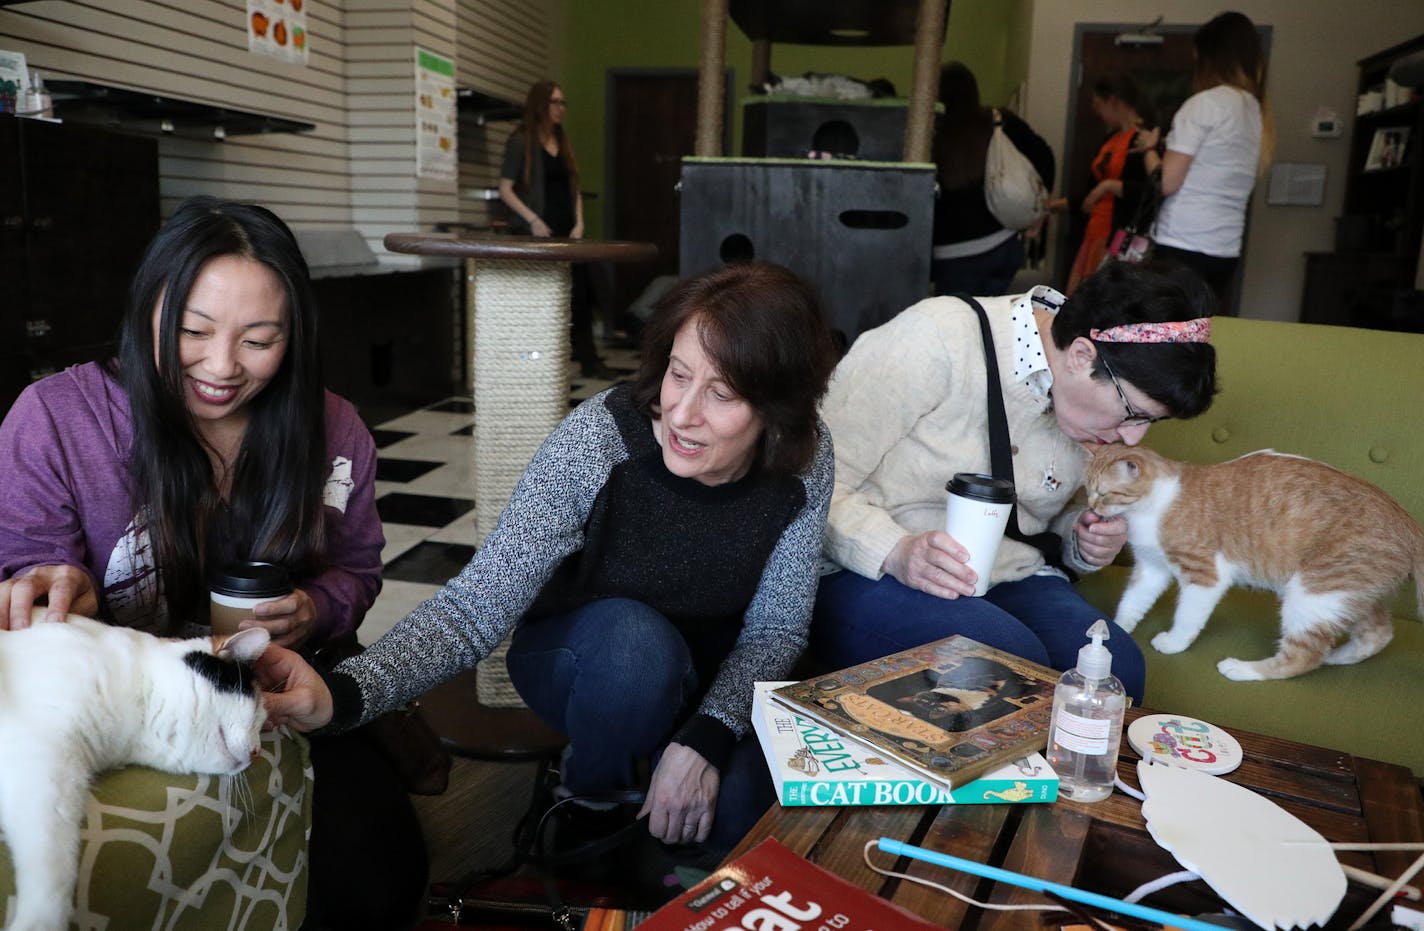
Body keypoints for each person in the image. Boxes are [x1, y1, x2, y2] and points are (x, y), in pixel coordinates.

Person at [257, 261, 839, 863]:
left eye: (722, 395)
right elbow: (473, 609)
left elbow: (776, 629)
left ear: (777, 409)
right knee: (637, 651)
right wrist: (342, 693)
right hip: (590, 655)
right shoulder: (601, 440)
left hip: (713, 669)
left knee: (734, 831)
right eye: (678, 374)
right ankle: (587, 796)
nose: (683, 414)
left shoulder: (804, 458)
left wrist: (709, 735)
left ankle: (659, 765)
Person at [0, 196, 427, 930]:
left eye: (259, 338)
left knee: (377, 874)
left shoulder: (335, 429)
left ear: (294, 334)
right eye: (193, 332)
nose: (222, 367)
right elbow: (30, 571)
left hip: (278, 697)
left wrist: (316, 607)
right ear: (147, 313)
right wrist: (53, 583)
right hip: (120, 711)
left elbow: (356, 571)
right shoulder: (56, 419)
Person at [810, 260, 1220, 706]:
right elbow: (807, 481)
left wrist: (1081, 540)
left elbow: (1050, 514)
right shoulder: (936, 339)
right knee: (1000, 662)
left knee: (1114, 670)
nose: (1133, 437)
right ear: (1082, 357)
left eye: (1149, 423)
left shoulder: (1088, 410)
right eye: (1133, 413)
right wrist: (895, 551)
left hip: (1013, 573)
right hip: (870, 570)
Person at [1144, 10, 1273, 314]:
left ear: (1208, 58)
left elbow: (1167, 182)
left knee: (1163, 334)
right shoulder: (1256, 111)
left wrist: (1150, 151)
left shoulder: (1204, 104)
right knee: (1196, 333)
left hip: (1183, 243)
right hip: (1225, 250)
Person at [499, 78, 612, 378]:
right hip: (539, 230)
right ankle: (536, 360)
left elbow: (573, 185)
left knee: (580, 294)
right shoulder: (521, 141)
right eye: (555, 102)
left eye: (563, 102)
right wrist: (532, 220)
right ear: (540, 105)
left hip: (566, 229)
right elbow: (506, 189)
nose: (561, 108)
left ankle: (589, 358)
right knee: (542, 296)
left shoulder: (562, 142)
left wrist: (580, 221)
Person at [931, 61, 1056, 297]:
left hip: (954, 253)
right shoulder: (998, 120)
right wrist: (1041, 208)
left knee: (960, 326)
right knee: (996, 322)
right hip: (1004, 244)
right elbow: (1044, 155)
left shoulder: (934, 133)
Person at [1063, 73, 1157, 294]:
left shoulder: (1142, 140)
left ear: (1113, 101)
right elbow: (1089, 191)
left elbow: (1149, 190)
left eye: (1099, 105)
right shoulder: (1111, 139)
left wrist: (1108, 186)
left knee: (1102, 296)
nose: (1098, 113)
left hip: (1120, 234)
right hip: (1095, 231)